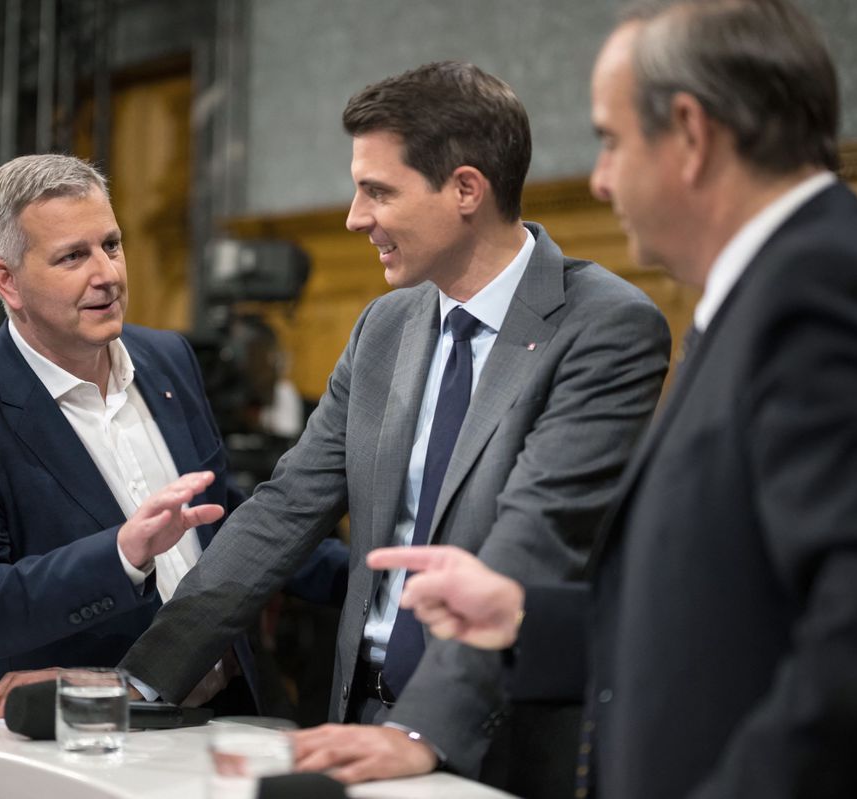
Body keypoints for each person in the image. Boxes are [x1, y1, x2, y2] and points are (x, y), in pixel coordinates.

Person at [370, 2, 857, 797]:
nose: (599, 180)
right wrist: (526, 618)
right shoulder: (782, 290)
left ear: (692, 135)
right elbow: (732, 609)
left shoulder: (828, 299)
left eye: (610, 140)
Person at [97, 62, 670, 792]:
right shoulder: (384, 326)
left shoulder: (606, 327)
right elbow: (284, 509)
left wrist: (421, 729)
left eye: (377, 190)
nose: (354, 217)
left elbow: (534, 539)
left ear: (465, 189)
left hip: (495, 742)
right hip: (360, 719)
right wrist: (138, 682)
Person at [0, 154, 346, 715]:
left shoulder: (168, 359)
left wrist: (368, 579)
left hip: (232, 710)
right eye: (72, 256)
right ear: (6, 281)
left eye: (111, 245)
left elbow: (224, 517)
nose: (107, 275)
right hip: (92, 734)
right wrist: (120, 555)